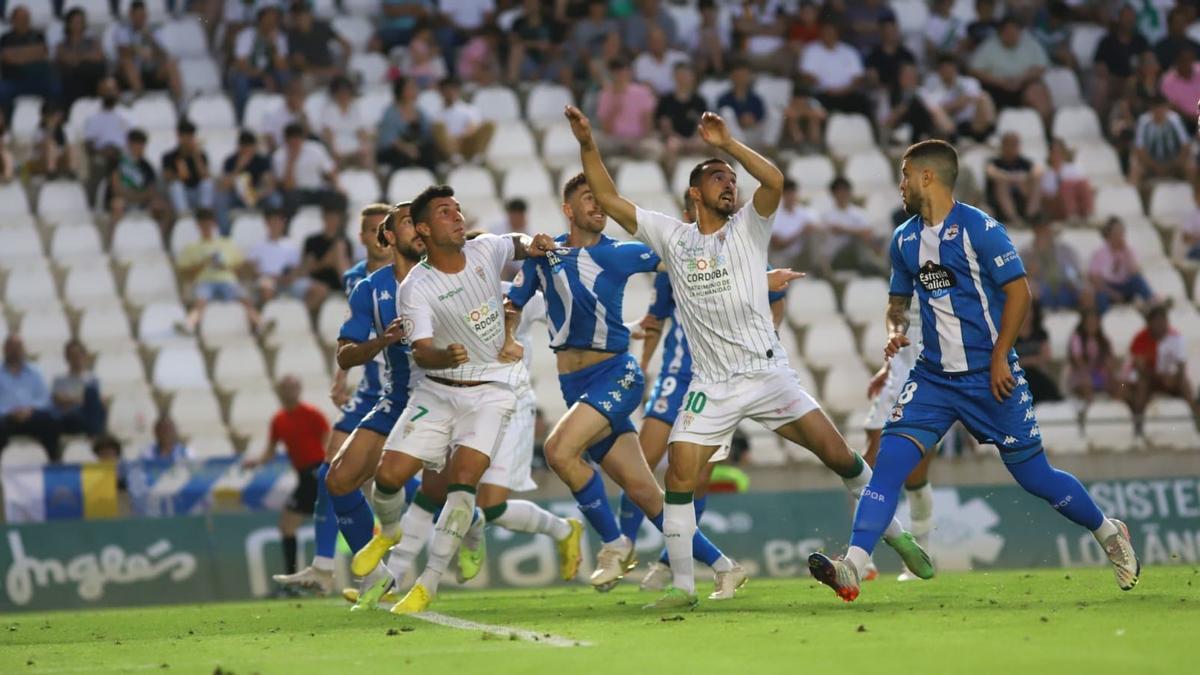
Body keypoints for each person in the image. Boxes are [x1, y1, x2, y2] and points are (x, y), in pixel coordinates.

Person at [565, 105, 927, 608]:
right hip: (711, 385)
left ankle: (897, 535)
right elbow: (607, 197)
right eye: (718, 177)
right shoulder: (672, 237)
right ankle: (683, 587)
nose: (729, 184)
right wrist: (586, 140)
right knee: (678, 477)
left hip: (767, 374)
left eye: (732, 179)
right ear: (695, 193)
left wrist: (729, 145)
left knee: (842, 458)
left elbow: (774, 180)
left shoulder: (750, 228)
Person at [807, 139, 1139, 602]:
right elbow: (897, 303)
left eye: (905, 175)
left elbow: (1020, 293)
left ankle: (1108, 532)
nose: (899, 185)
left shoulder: (981, 229)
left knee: (1035, 477)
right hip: (933, 378)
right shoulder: (904, 239)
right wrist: (894, 328)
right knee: (887, 466)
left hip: (989, 375)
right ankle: (853, 566)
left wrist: (1002, 354)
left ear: (928, 177)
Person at [508, 173, 750, 599]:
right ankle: (724, 566)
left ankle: (616, 543)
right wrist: (508, 336)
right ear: (568, 209)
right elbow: (514, 302)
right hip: (575, 385)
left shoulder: (620, 253)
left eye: (601, 199)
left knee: (558, 451)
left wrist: (747, 266)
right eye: (588, 199)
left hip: (616, 375)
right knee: (645, 493)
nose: (597, 206)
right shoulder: (543, 254)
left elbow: (682, 256)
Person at [351, 186, 547, 614]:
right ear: (424, 228)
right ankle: (387, 531)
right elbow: (420, 350)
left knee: (463, 483)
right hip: (437, 389)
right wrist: (444, 355)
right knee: (388, 477)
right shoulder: (416, 287)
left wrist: (536, 243)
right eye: (445, 212)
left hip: (491, 392)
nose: (457, 217)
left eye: (458, 210)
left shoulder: (484, 251)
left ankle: (429, 582)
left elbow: (518, 243)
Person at [630, 191, 792, 592]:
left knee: (696, 479)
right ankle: (623, 547)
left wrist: (767, 333)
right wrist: (644, 364)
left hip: (724, 379)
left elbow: (776, 295)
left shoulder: (740, 251)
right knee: (642, 464)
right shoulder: (675, 261)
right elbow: (655, 319)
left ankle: (671, 565)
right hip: (679, 375)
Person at [322, 203, 429, 606]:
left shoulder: (450, 273)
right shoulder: (370, 288)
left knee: (443, 488)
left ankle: (468, 527)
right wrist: (382, 341)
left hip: (450, 395)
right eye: (406, 221)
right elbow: (345, 355)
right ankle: (377, 579)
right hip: (399, 396)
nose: (417, 227)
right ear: (389, 237)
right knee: (338, 479)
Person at [862, 298, 935, 582]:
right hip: (896, 377)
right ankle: (863, 557)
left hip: (930, 383)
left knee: (915, 477)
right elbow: (896, 313)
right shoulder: (903, 259)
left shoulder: (956, 263)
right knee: (868, 466)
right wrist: (887, 367)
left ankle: (921, 555)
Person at [245, 375, 330, 584]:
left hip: (316, 472)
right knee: (292, 525)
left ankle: (295, 579)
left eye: (292, 387)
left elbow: (328, 442)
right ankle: (299, 578)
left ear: (299, 389)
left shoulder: (312, 414)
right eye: (284, 388)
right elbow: (271, 450)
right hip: (303, 475)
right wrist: (256, 462)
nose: (288, 392)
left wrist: (330, 468)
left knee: (289, 524)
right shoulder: (279, 420)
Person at [176, 208, 262, 334]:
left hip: (227, 280)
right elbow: (183, 273)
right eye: (202, 223)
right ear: (198, 225)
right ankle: (189, 324)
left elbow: (239, 267)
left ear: (213, 223)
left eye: (208, 222)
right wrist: (204, 263)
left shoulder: (227, 243)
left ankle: (260, 324)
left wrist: (225, 266)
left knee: (244, 299)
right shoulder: (191, 247)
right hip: (204, 281)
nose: (206, 226)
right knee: (201, 301)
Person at [968, 15, 1052, 126]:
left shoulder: (1030, 43)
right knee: (983, 97)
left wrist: (1020, 79)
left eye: (1015, 32)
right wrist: (1001, 82)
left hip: (1023, 86)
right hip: (996, 88)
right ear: (1000, 33)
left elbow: (1041, 67)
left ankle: (1043, 131)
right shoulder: (989, 45)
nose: (1012, 35)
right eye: (1008, 32)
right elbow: (974, 70)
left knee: (1037, 91)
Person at [1128, 301, 1200, 427]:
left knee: (1185, 384)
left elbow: (1181, 365)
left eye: (1163, 321)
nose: (1160, 325)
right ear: (1149, 323)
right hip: (1150, 379)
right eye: (1157, 321)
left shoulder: (1175, 337)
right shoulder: (1140, 339)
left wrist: (1176, 378)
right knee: (1142, 385)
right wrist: (1160, 377)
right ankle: (1138, 424)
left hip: (1170, 379)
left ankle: (1195, 421)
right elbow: (1140, 369)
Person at [0, 335, 60, 462]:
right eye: (11, 347)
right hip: (6, 419)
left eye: (18, 347)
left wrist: (29, 410)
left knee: (51, 421)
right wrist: (10, 412)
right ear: (5, 349)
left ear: (23, 349)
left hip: (31, 416)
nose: (15, 351)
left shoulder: (35, 372)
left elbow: (44, 398)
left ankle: (52, 465)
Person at [799, 23, 872, 118]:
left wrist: (844, 90)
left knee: (864, 103)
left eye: (831, 32)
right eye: (826, 32)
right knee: (813, 104)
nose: (828, 35)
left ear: (837, 34)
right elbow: (806, 75)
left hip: (847, 93)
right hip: (821, 94)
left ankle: (871, 132)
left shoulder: (849, 51)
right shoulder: (811, 50)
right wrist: (825, 87)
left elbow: (858, 77)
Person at [114, 0, 182, 102]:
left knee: (171, 64)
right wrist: (139, 52)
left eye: (143, 15)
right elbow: (123, 52)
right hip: (131, 72)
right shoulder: (122, 30)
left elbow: (164, 55)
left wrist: (150, 39)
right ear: (131, 15)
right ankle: (141, 99)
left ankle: (180, 104)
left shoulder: (153, 31)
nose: (141, 19)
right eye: (138, 15)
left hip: (150, 71)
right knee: (127, 63)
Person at [595, 59, 662, 160]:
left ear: (629, 73)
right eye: (616, 72)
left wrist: (636, 141)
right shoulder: (605, 95)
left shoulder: (643, 92)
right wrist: (613, 112)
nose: (620, 75)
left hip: (638, 141)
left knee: (655, 148)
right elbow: (606, 130)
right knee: (597, 146)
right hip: (615, 142)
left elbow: (648, 124)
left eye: (623, 71)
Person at [230, 6, 290, 118]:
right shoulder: (247, 35)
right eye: (269, 19)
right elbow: (241, 64)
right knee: (240, 80)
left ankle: (283, 114)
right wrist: (263, 76)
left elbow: (281, 66)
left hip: (270, 75)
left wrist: (273, 45)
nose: (272, 23)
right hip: (250, 74)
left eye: (275, 20)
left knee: (285, 77)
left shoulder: (279, 38)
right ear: (260, 20)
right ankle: (241, 117)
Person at [922, 54, 996, 143]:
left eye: (949, 68)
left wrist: (954, 105)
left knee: (984, 97)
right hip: (951, 126)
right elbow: (936, 109)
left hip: (972, 123)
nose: (947, 72)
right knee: (936, 111)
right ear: (939, 71)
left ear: (955, 69)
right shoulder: (934, 86)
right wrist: (960, 103)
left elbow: (975, 98)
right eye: (944, 69)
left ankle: (988, 131)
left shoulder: (970, 82)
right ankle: (953, 138)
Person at [0, 5, 61, 114]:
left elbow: (42, 52)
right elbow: (7, 56)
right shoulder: (5, 38)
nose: (23, 22)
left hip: (37, 80)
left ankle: (49, 120)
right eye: (20, 19)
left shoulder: (38, 35)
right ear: (12, 20)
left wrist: (18, 55)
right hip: (13, 81)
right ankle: (6, 123)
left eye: (26, 19)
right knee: (2, 91)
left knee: (55, 87)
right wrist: (31, 54)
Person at [247, 207, 313, 307]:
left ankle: (301, 315)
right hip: (267, 280)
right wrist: (265, 275)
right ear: (267, 223)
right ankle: (268, 318)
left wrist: (290, 277)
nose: (276, 224)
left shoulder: (291, 245)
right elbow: (251, 268)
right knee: (266, 289)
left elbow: (296, 268)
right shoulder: (257, 246)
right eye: (273, 221)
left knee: (316, 290)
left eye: (279, 221)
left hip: (288, 281)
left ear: (283, 223)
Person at [108, 128, 171, 231]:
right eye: (137, 144)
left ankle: (159, 239)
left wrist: (138, 197)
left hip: (142, 200)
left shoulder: (147, 166)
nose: (140, 148)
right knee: (117, 204)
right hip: (123, 199)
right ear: (129, 144)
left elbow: (151, 190)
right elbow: (116, 187)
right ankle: (113, 240)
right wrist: (133, 196)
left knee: (162, 207)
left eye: (142, 145)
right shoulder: (117, 162)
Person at [820, 176, 884, 277]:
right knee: (859, 239)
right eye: (839, 191)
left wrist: (845, 230)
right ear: (833, 194)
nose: (842, 194)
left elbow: (867, 232)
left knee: (877, 237)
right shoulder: (827, 215)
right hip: (836, 257)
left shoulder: (858, 213)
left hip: (856, 255)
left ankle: (875, 265)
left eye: (845, 190)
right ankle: (872, 266)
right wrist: (856, 232)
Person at [218, 130, 280, 230]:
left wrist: (257, 194)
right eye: (243, 145)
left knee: (275, 199)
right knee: (221, 199)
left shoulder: (262, 160)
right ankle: (224, 233)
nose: (246, 149)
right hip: (238, 197)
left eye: (249, 146)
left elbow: (269, 184)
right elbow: (223, 186)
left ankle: (275, 230)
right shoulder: (231, 161)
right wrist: (238, 167)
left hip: (258, 195)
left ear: (254, 146)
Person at [273, 122, 340, 215]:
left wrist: (338, 187)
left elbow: (330, 171)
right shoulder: (279, 156)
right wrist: (291, 161)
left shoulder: (316, 149)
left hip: (317, 191)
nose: (296, 144)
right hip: (297, 193)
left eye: (298, 140)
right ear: (287, 141)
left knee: (338, 198)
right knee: (290, 199)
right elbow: (287, 186)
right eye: (292, 141)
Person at [1090, 217, 1155, 312]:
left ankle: (1153, 303)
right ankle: (1104, 321)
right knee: (1100, 296)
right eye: (1115, 233)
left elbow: (1134, 271)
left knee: (1138, 280)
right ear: (1108, 235)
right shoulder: (1100, 253)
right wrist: (1112, 294)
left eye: (1121, 233)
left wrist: (1126, 251)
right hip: (1108, 288)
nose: (1119, 236)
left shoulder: (1129, 250)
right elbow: (1095, 279)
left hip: (1125, 286)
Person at [1020, 218, 1086, 311]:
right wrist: (1036, 253)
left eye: (1047, 231)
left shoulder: (1065, 250)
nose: (1045, 235)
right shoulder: (1026, 252)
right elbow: (1024, 278)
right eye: (1041, 231)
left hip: (1065, 286)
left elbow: (1075, 273)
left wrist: (1075, 282)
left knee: (1086, 293)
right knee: (1034, 291)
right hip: (1041, 289)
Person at [376, 77, 438, 172]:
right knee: (403, 157)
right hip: (395, 150)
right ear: (401, 91)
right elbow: (389, 138)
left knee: (430, 152)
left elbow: (427, 133)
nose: (415, 90)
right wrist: (406, 148)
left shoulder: (419, 111)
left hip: (415, 147)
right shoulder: (391, 112)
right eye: (410, 88)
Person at [655, 63, 708, 170]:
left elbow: (702, 124)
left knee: (713, 145)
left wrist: (693, 140)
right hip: (674, 138)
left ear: (692, 78)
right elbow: (665, 127)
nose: (683, 79)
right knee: (672, 145)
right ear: (674, 77)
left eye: (685, 76)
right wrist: (683, 141)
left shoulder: (699, 101)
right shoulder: (666, 100)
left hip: (695, 138)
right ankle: (671, 181)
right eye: (680, 76)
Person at [432, 77, 494, 165]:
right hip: (450, 145)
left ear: (458, 90)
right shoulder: (436, 114)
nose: (450, 92)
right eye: (446, 90)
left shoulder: (469, 109)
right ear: (441, 92)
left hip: (467, 142)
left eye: (453, 89)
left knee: (490, 124)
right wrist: (453, 140)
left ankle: (477, 157)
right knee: (438, 126)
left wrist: (462, 137)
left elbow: (473, 125)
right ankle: (454, 158)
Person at [51, 340, 106, 438]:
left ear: (84, 356)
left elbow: (97, 401)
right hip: (69, 417)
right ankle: (96, 436)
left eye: (78, 355)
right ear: (67, 358)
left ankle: (95, 435)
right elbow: (59, 401)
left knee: (92, 394)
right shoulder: (59, 379)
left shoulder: (92, 378)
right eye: (72, 355)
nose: (76, 358)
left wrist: (72, 399)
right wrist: (81, 400)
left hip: (87, 415)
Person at [985, 132, 1042, 225]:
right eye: (1009, 144)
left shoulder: (1024, 162)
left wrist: (1024, 179)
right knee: (1001, 182)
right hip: (999, 206)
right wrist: (1012, 179)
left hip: (1022, 199)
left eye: (1015, 144)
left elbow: (1038, 171)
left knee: (1034, 182)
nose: (1012, 148)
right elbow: (991, 172)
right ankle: (1014, 219)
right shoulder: (995, 162)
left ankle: (1030, 217)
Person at [1068, 309, 1123, 406]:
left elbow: (1111, 360)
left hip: (1100, 376)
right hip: (1081, 375)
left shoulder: (1104, 341)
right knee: (1086, 384)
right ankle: (1090, 413)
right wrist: (1088, 376)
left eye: (1095, 322)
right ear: (1083, 324)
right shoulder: (1077, 338)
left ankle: (1116, 410)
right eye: (1089, 322)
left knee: (1121, 385)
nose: (1092, 325)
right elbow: (1078, 361)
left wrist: (1110, 369)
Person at [286, 0, 349, 85]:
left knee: (352, 78)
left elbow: (346, 45)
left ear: (310, 15)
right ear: (293, 19)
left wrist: (342, 65)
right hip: (312, 74)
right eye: (297, 18)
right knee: (304, 82)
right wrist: (326, 71)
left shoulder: (321, 27)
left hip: (331, 70)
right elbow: (302, 66)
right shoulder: (292, 35)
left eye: (304, 16)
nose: (301, 21)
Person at [162, 118, 215, 217]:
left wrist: (196, 156)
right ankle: (184, 216)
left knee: (207, 184)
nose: (187, 140)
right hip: (182, 194)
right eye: (184, 136)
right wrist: (180, 173)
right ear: (179, 136)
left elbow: (205, 176)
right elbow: (167, 177)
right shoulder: (169, 156)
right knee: (176, 186)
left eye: (190, 136)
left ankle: (204, 213)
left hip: (197, 193)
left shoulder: (200, 155)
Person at [55, 8, 107, 108]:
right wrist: (86, 57)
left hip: (90, 81)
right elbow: (64, 58)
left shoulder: (93, 42)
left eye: (80, 22)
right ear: (68, 24)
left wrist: (79, 58)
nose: (77, 25)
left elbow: (99, 56)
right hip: (71, 83)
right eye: (74, 22)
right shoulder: (62, 44)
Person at [303, 197, 353, 299]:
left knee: (339, 247)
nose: (332, 221)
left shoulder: (346, 242)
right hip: (317, 283)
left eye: (335, 217)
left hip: (338, 284)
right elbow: (308, 269)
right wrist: (326, 261)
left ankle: (349, 289)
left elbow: (349, 266)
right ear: (324, 218)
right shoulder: (312, 241)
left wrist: (336, 256)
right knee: (320, 290)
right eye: (329, 217)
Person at [1014, 300, 1063, 403]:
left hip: (1037, 374)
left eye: (1029, 311)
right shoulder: (1012, 333)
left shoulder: (1040, 333)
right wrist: (1033, 360)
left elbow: (1045, 357)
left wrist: (1024, 361)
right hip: (1017, 376)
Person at [319, 76, 373, 169]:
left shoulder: (354, 109)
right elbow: (328, 132)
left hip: (354, 146)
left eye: (346, 92)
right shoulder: (330, 110)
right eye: (341, 92)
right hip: (337, 146)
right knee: (337, 160)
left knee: (368, 155)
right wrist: (334, 148)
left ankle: (370, 180)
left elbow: (360, 130)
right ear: (335, 94)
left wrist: (365, 145)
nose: (344, 95)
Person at [716, 61, 770, 149]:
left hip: (755, 133)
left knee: (775, 113)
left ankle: (769, 148)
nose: (741, 79)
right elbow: (722, 122)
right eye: (738, 76)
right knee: (726, 111)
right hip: (735, 136)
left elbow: (761, 118)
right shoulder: (724, 99)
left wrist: (753, 121)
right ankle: (741, 149)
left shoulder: (756, 99)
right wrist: (740, 120)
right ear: (732, 77)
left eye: (743, 76)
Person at [768, 179, 819, 270]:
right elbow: (777, 245)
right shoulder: (775, 215)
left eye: (792, 193)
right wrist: (800, 232)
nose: (791, 196)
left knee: (815, 235)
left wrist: (809, 230)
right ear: (783, 195)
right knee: (777, 262)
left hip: (801, 256)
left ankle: (818, 267)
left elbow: (817, 229)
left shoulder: (805, 212)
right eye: (788, 193)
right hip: (783, 256)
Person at [1040, 138, 1093, 223]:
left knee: (1082, 183)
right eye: (1054, 152)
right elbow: (1048, 195)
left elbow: (1084, 187)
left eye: (1059, 152)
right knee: (1066, 186)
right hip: (1058, 206)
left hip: (1077, 203)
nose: (1057, 155)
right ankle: (1071, 215)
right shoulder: (1047, 174)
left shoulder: (1074, 168)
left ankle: (1087, 213)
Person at [633, 26, 689, 95]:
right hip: (652, 100)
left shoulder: (681, 58)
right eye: (654, 40)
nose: (657, 43)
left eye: (660, 39)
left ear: (665, 40)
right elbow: (642, 85)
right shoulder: (640, 62)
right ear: (648, 42)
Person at [29, 101, 70, 179]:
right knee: (50, 145)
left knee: (71, 148)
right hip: (42, 160)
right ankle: (51, 171)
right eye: (51, 116)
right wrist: (50, 128)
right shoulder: (38, 130)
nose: (53, 119)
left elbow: (64, 147)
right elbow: (38, 147)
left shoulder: (63, 130)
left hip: (59, 160)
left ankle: (70, 172)